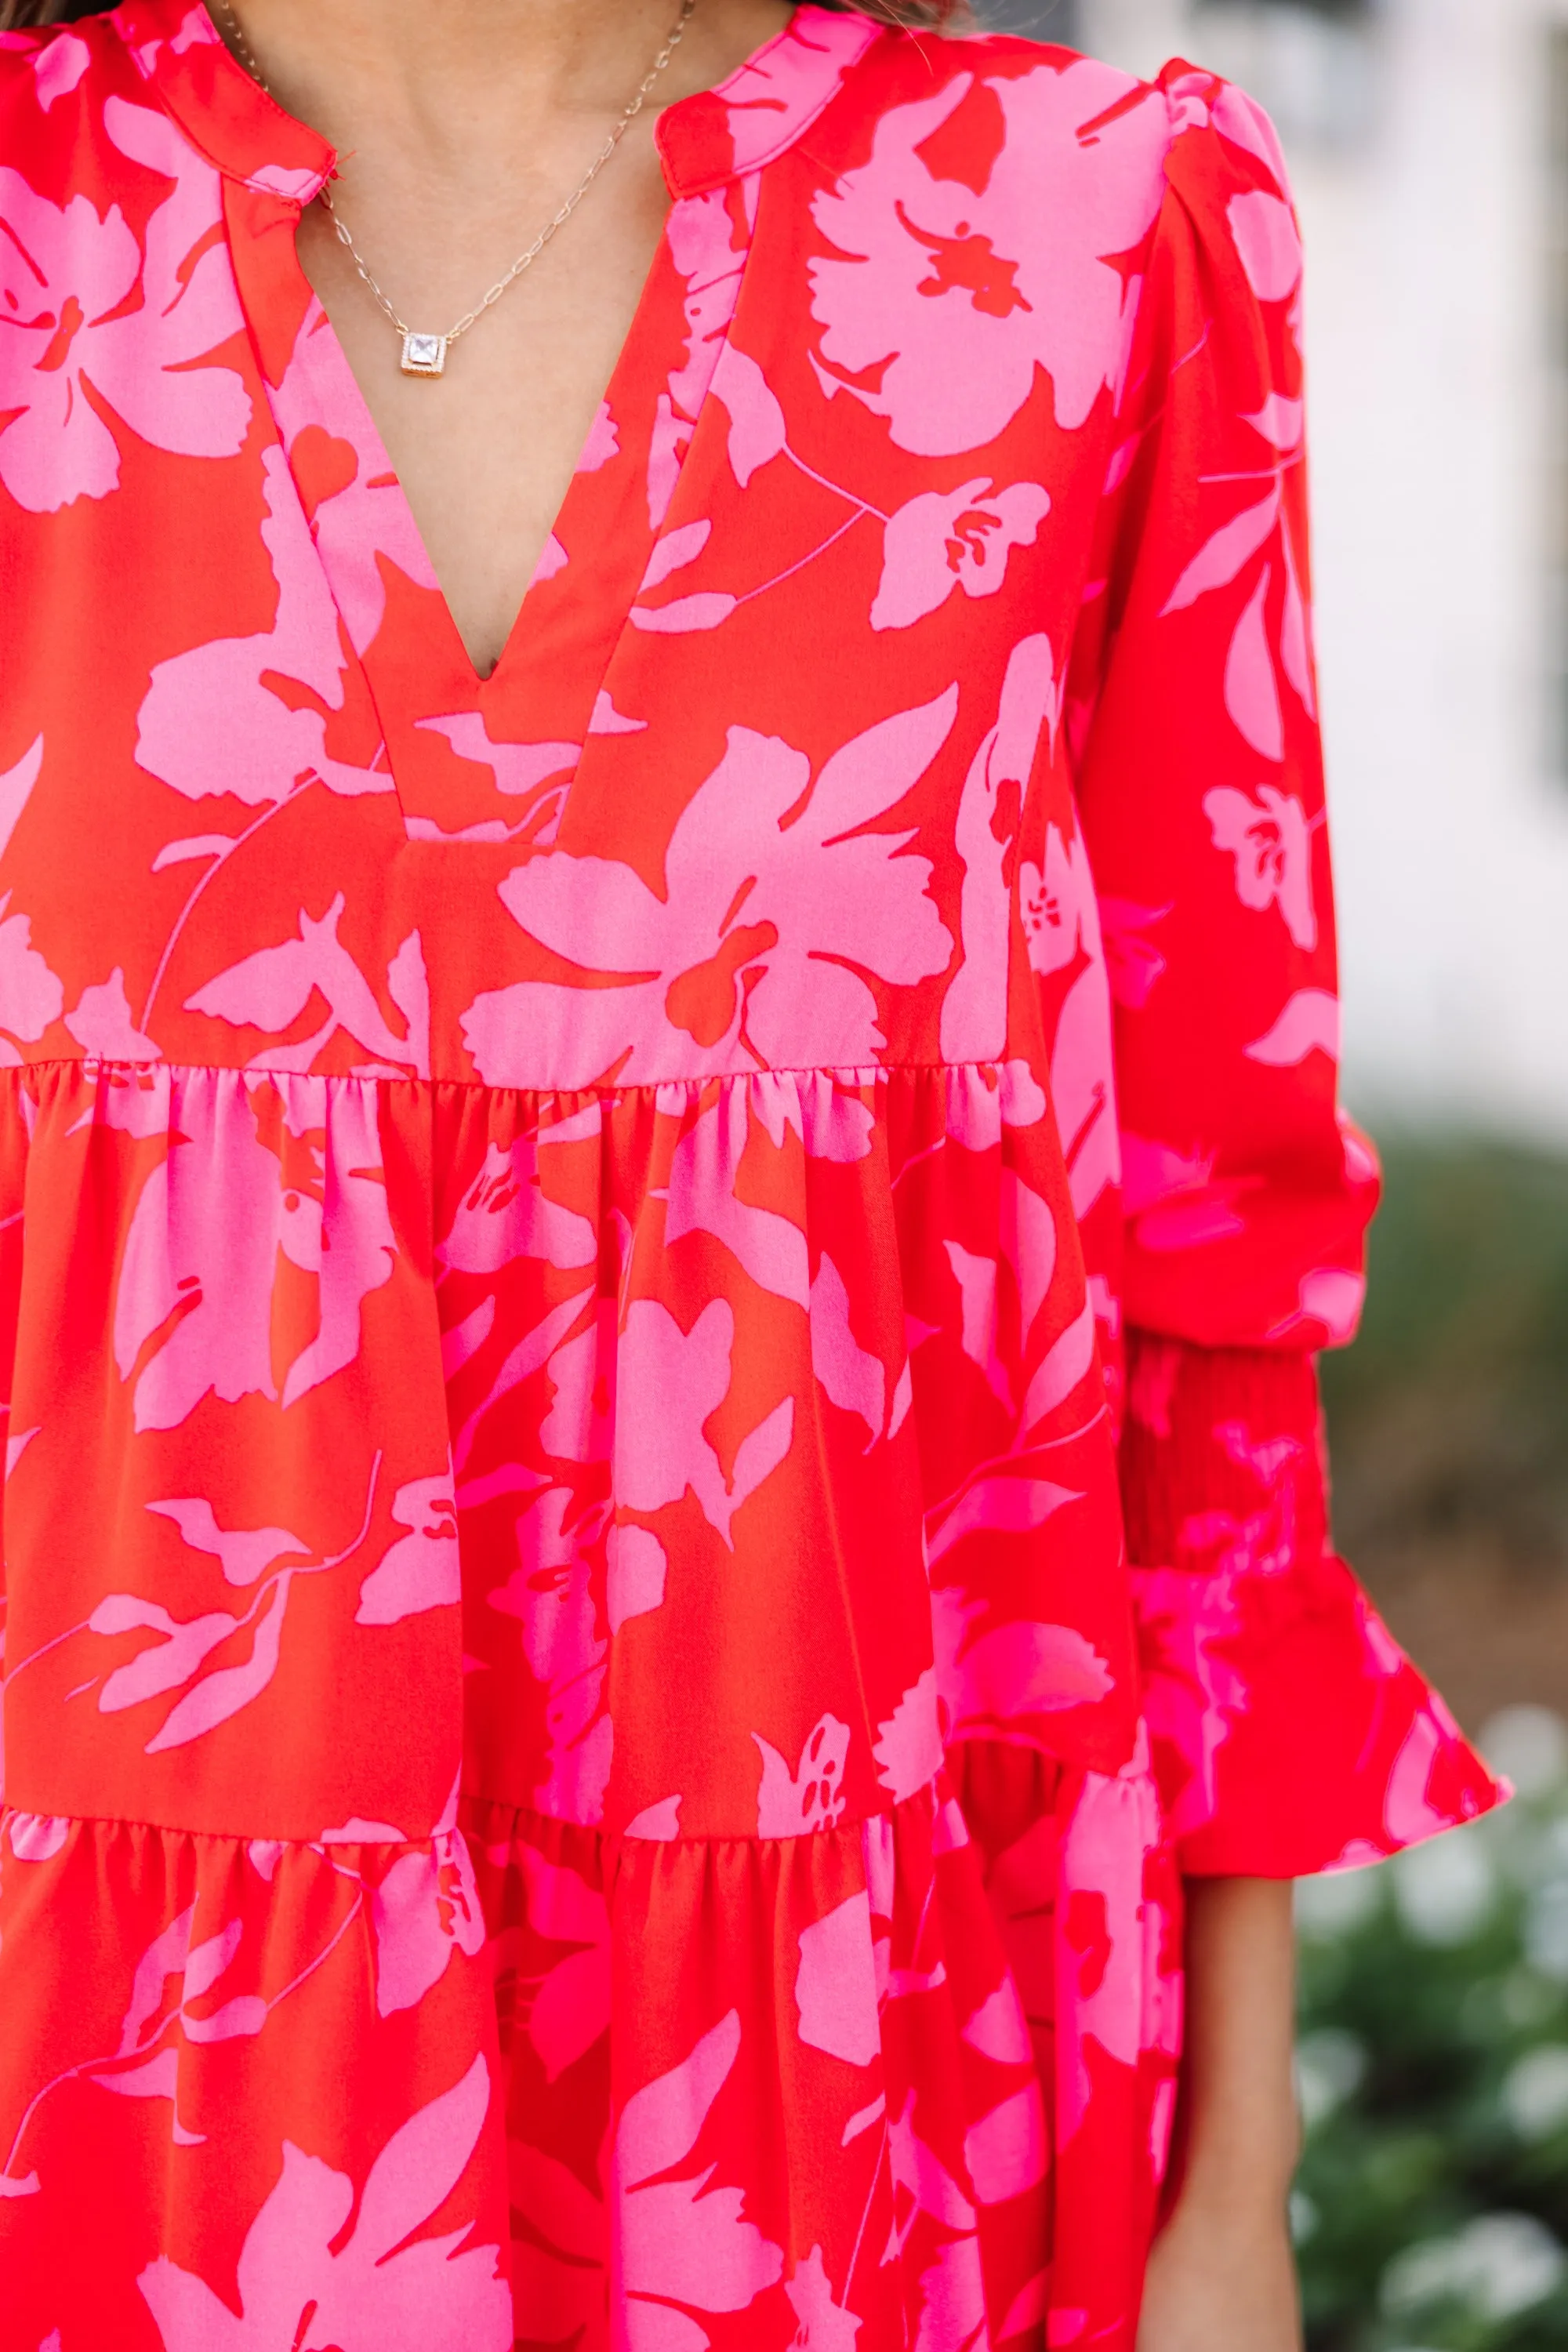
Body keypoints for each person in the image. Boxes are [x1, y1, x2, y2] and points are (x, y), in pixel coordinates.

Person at [0, 1, 1503, 2346]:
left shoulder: (1086, 224)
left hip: (869, 2105)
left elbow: (1214, 1278)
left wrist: (1235, 2208)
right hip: (105, 2105)